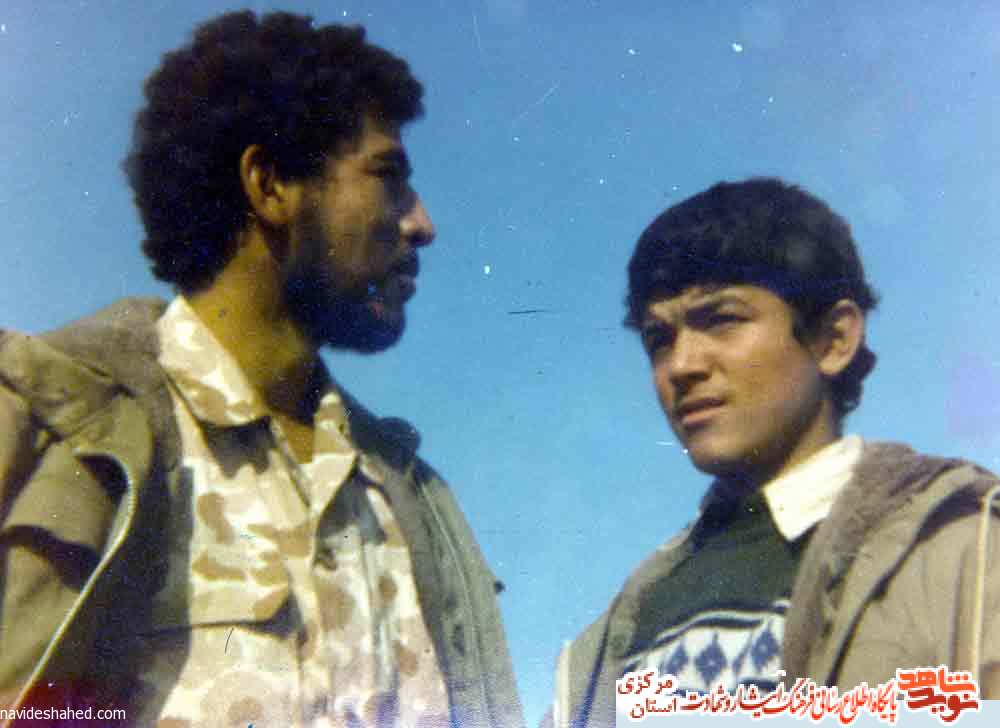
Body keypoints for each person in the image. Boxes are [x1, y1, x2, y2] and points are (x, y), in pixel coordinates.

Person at [0, 10, 523, 728]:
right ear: (270, 184)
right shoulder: (52, 426)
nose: (420, 223)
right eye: (388, 178)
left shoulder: (414, 504)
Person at [548, 178, 1000, 727]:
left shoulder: (969, 551)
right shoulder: (619, 630)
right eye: (658, 339)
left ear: (834, 340)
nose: (681, 365)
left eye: (721, 319)